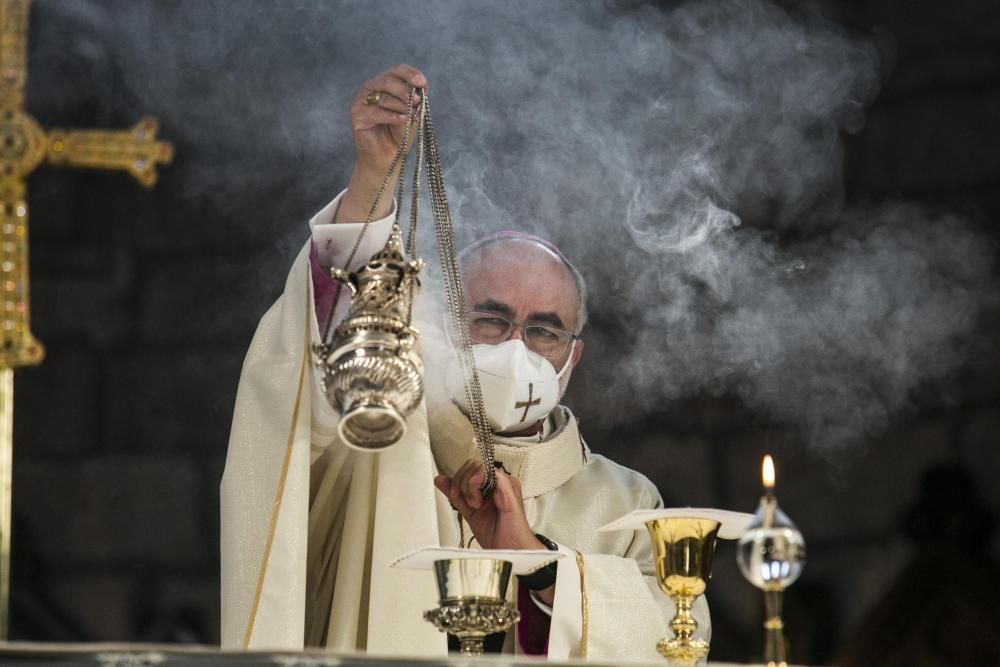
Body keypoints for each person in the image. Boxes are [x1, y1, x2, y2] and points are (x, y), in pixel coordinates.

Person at [220, 64, 709, 660]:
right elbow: (316, 364)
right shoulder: (375, 437)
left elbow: (677, 646)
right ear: (445, 329)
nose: (515, 346)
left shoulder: (629, 508)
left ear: (573, 356)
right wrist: (374, 179)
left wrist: (539, 566)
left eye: (545, 329)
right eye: (490, 318)